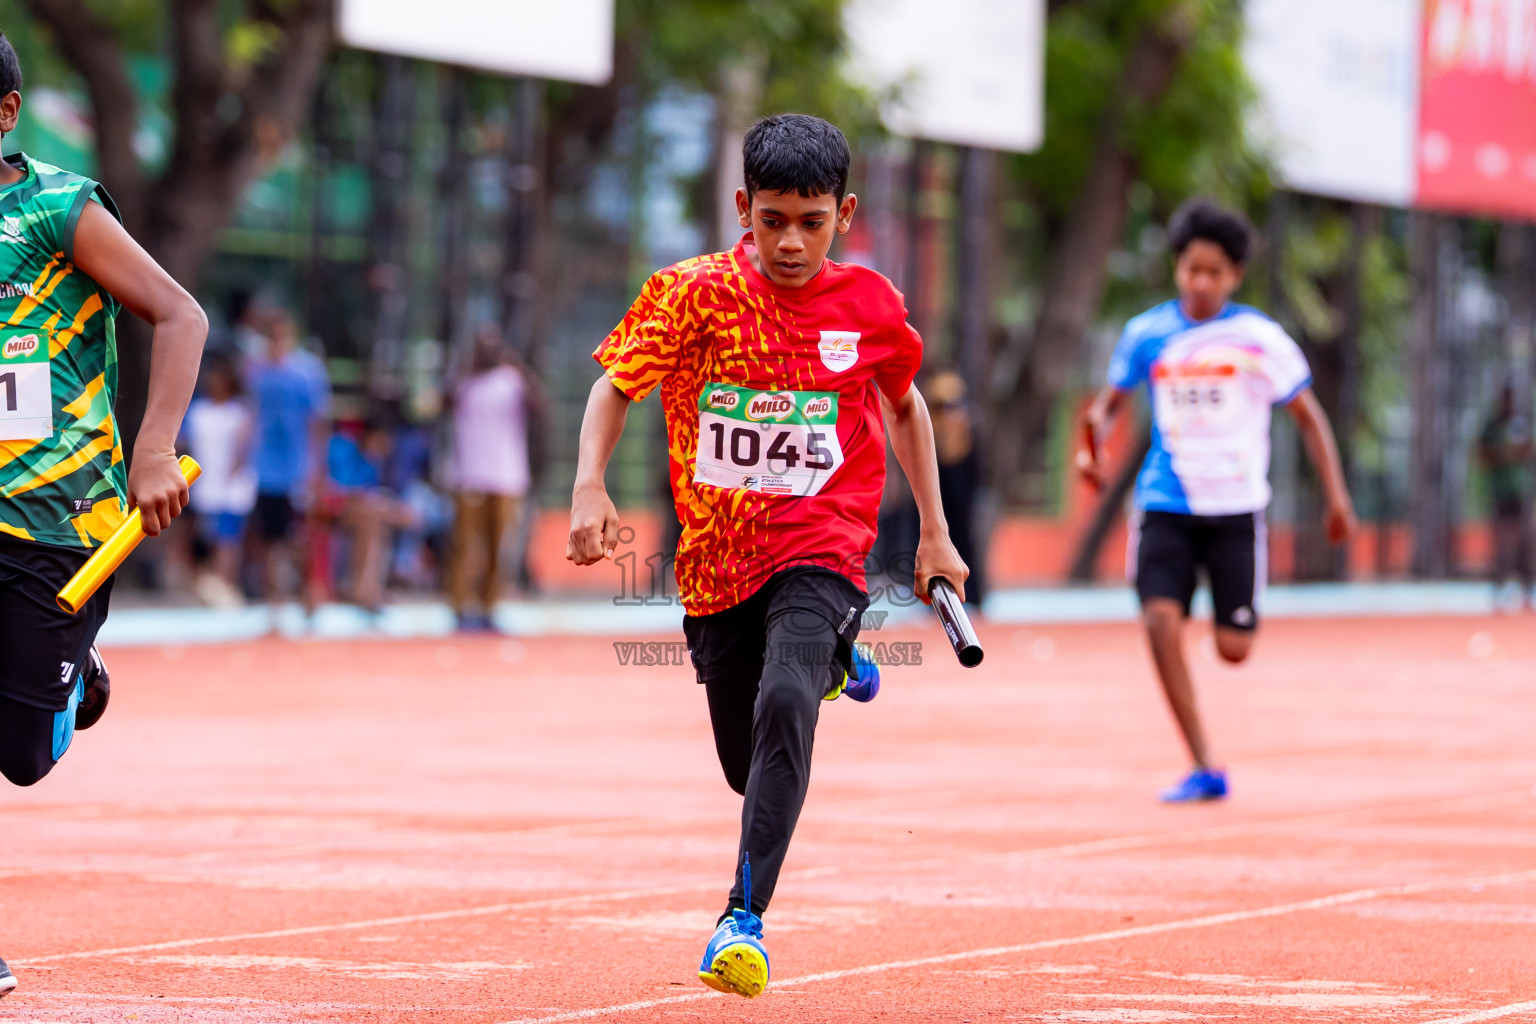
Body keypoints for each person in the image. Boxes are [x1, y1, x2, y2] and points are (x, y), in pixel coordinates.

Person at [567, 113, 967, 999]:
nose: (791, 242)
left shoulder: (870, 305)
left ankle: (740, 921)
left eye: (811, 223)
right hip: (717, 561)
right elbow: (614, 386)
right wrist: (589, 484)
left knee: (787, 698)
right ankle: (838, 663)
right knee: (746, 768)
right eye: (773, 219)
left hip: (825, 541)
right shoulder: (689, 294)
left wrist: (935, 533)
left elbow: (904, 407)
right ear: (743, 207)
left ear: (844, 215)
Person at [0, 34, 207, 997]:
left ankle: (74, 676)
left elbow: (181, 314)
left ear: (6, 115)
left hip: (62, 519)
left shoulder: (58, 208)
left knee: (20, 758)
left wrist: (154, 449)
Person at [1076, 198, 1356, 804]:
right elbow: (1108, 404)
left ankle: (1223, 605)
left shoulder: (1259, 339)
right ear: (1177, 268)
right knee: (1159, 623)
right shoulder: (1147, 333)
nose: (1200, 282)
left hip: (1236, 509)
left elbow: (1309, 418)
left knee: (1234, 650)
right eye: (1191, 269)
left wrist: (1336, 498)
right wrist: (1090, 444)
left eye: (1214, 272)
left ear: (1235, 275)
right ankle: (1203, 761)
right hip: (1165, 502)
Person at [446, 328, 532, 630]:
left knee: (499, 547)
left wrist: (521, 369)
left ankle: (489, 606)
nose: (487, 353)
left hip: (508, 476)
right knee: (466, 545)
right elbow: (441, 402)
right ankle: (460, 605)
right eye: (482, 348)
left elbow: (539, 408)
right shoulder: (464, 381)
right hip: (470, 475)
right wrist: (462, 370)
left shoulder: (513, 381)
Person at [247, 311, 327, 612]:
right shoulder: (258, 371)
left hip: (298, 467)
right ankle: (276, 601)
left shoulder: (307, 371)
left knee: (302, 536)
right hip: (267, 469)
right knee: (270, 538)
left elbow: (317, 420)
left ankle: (310, 591)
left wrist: (318, 466)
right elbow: (253, 416)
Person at [181, 353, 254, 606]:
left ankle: (226, 584)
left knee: (228, 539)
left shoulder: (239, 411)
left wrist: (234, 471)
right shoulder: (198, 411)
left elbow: (245, 445)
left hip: (232, 487)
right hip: (203, 486)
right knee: (205, 539)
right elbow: (184, 442)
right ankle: (205, 586)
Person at [1478, 383, 1533, 609]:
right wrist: (1502, 454)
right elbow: (1481, 454)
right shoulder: (1492, 426)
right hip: (1501, 491)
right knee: (1501, 541)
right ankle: (1498, 587)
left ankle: (1527, 588)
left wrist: (1520, 453)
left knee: (1526, 539)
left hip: (1521, 491)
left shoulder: (1522, 423)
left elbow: (1529, 452)